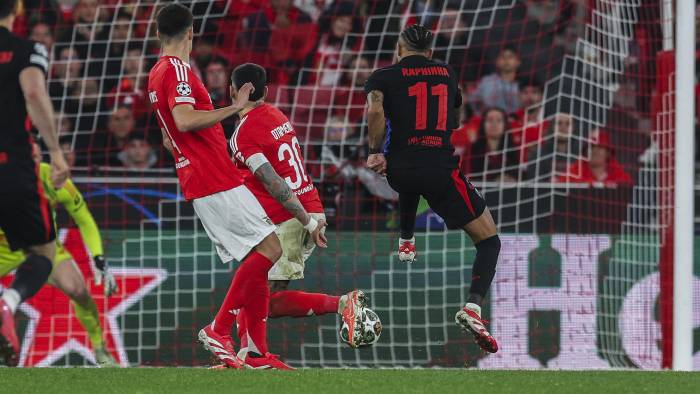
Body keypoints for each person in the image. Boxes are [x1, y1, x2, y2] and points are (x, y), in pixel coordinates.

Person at [147, 4, 325, 370]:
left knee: (260, 257)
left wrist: (182, 146)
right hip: (212, 175)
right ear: (191, 33)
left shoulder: (156, 72)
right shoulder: (179, 69)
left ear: (157, 34)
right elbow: (182, 119)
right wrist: (235, 108)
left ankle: (256, 353)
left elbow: (169, 133)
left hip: (204, 175)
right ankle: (218, 327)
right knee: (270, 249)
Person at [365, 24, 500, 353]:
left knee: (410, 177)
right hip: (439, 170)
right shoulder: (447, 72)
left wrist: (375, 150)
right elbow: (455, 114)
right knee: (490, 241)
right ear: (429, 51)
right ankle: (473, 309)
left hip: (398, 170)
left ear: (399, 47)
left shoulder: (381, 77)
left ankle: (407, 239)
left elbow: (375, 111)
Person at [227, 63, 369, 359]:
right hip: (306, 210)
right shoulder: (276, 115)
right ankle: (248, 355)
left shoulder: (244, 132)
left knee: (256, 298)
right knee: (264, 298)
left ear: (232, 92)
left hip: (291, 218)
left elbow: (272, 180)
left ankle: (342, 305)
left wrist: (304, 221)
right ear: (265, 92)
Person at [0, 143, 119, 367]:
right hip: (4, 249)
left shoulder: (53, 177)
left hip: (45, 247)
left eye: (36, 156)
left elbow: (83, 217)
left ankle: (100, 349)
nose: (33, 161)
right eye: (28, 156)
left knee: (79, 291)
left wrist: (98, 257)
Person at [0, 0, 70, 366]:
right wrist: (56, 151)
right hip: (12, 168)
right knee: (43, 253)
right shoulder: (27, 49)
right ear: (18, 9)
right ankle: (8, 304)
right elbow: (33, 92)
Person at [556, 129, 632, 186]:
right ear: (585, 152)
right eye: (591, 147)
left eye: (600, 147)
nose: (595, 151)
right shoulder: (572, 175)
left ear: (608, 153)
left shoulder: (620, 176)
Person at [468, 107, 520, 182]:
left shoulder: (514, 150)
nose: (494, 124)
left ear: (505, 125)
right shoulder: (472, 150)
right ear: (483, 124)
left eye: (499, 120)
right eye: (490, 120)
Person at [468, 46, 521, 114]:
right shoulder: (486, 82)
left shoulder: (524, 85)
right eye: (502, 57)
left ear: (518, 62)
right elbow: (472, 101)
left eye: (510, 57)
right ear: (497, 62)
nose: (506, 60)